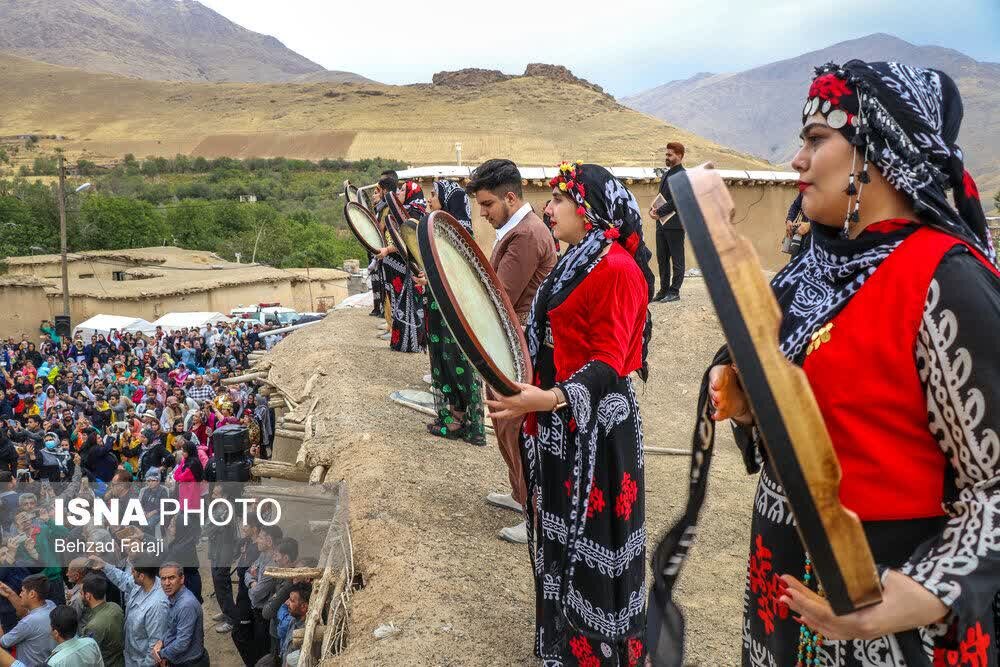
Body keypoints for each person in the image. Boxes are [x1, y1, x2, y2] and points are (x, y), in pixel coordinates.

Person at [666, 60, 1000, 666]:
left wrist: (922, 592)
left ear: (876, 152)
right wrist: (740, 395)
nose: (797, 159)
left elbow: (995, 485)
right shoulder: (814, 266)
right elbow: (781, 370)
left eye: (817, 139)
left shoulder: (946, 280)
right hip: (784, 587)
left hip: (894, 614)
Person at [487, 161, 653, 664]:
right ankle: (561, 645)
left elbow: (609, 360)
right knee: (560, 539)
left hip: (599, 434)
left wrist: (549, 398)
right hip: (561, 429)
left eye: (559, 200)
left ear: (589, 208)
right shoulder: (574, 260)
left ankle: (599, 654)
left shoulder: (618, 270)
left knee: (596, 545)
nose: (548, 208)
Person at [466, 158, 557, 543]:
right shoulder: (518, 228)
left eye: (487, 204)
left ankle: (534, 511)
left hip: (519, 346)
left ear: (508, 196)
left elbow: (501, 297)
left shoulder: (525, 235)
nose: (483, 213)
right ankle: (521, 496)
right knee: (506, 426)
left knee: (517, 428)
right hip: (510, 342)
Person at [419, 180, 487, 446]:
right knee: (445, 362)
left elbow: (458, 275)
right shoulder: (443, 232)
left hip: (455, 308)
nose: (429, 199)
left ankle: (464, 420)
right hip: (440, 303)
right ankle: (453, 414)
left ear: (448, 201)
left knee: (457, 363)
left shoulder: (459, 235)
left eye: (434, 195)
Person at [375, 176, 426, 353]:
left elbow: (407, 242)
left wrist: (388, 250)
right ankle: (400, 341)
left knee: (408, 304)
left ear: (412, 193)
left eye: (404, 190)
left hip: (405, 267)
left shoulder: (415, 213)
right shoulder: (402, 210)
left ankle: (410, 343)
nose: (399, 192)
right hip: (395, 267)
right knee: (398, 304)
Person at [96, 557, 169, 667]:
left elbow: (154, 646)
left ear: (141, 576)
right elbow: (124, 580)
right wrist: (104, 566)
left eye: (133, 571)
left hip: (141, 661)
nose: (131, 572)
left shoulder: (157, 605)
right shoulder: (141, 583)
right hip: (131, 655)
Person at [650, 141, 686, 302]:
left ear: (679, 155)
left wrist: (659, 211)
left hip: (676, 224)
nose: (667, 157)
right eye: (666, 154)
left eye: (670, 154)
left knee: (677, 259)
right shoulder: (666, 174)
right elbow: (662, 198)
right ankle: (663, 290)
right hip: (661, 223)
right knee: (662, 258)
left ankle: (674, 291)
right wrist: (653, 210)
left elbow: (678, 200)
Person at [154, 563, 208, 667]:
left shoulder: (186, 605)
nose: (167, 583)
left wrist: (161, 654)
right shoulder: (174, 597)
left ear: (182, 578)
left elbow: (182, 643)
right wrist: (162, 642)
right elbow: (173, 629)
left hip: (190, 663)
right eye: (163, 579)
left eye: (171, 578)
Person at [0, 574, 56, 666]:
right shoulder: (51, 605)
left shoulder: (28, 622)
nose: (20, 594)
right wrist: (10, 594)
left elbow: (3, 642)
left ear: (32, 594)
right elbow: (27, 613)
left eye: (22, 591)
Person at [80, 573, 125, 667]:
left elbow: (88, 656)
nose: (80, 596)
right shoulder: (115, 606)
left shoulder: (93, 626)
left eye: (81, 593)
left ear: (88, 596)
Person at [783, 191, 812, 259]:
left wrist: (810, 225)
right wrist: (789, 220)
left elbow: (833, 217)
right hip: (801, 238)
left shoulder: (830, 191)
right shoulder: (806, 189)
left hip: (819, 243)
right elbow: (795, 206)